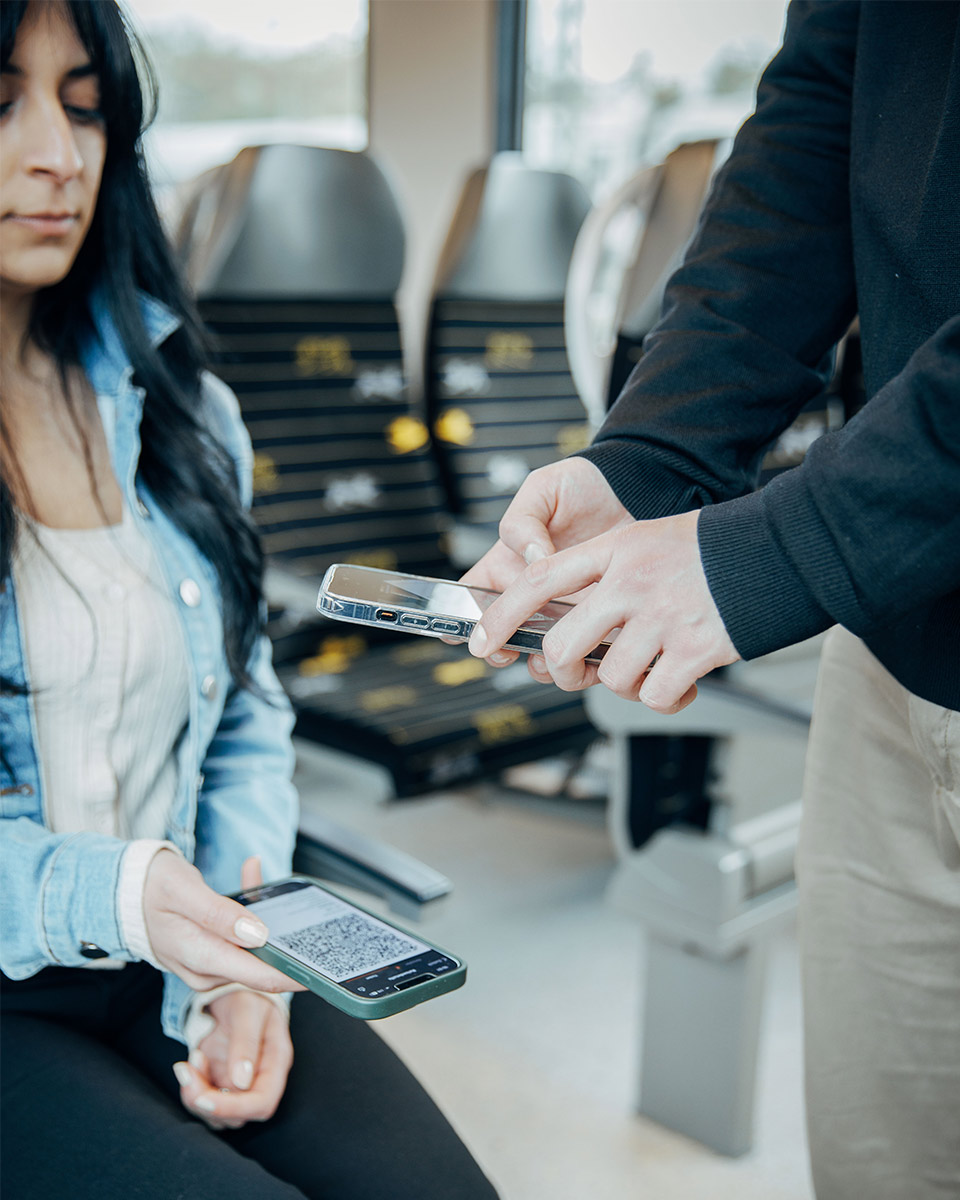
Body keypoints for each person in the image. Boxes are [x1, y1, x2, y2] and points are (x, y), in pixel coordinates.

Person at [0, 4, 497, 1197]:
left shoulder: (184, 409)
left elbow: (247, 719)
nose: (55, 157)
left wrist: (241, 949)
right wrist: (128, 894)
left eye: (82, 106)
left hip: (185, 935)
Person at [464, 2, 959, 1198]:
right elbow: (805, 147)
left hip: (868, 547)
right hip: (898, 651)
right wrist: (646, 463)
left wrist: (772, 553)